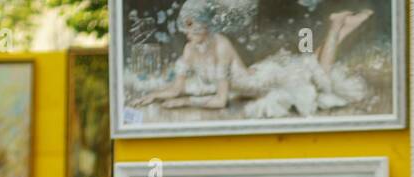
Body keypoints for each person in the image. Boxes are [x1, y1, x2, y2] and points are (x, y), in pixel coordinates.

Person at [129, 1, 374, 120]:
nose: (187, 32)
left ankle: (335, 25)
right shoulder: (190, 49)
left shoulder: (221, 44)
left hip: (267, 81)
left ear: (205, 24)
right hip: (257, 76)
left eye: (192, 26)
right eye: (185, 27)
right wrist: (155, 96)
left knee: (320, 71)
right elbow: (177, 87)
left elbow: (220, 100)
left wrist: (183, 103)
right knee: (310, 64)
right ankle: (343, 25)